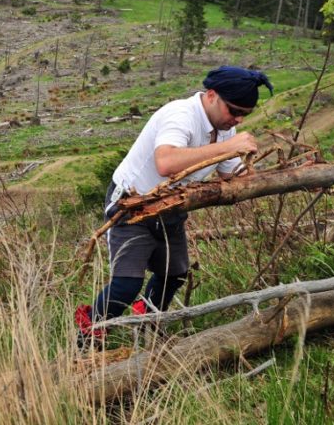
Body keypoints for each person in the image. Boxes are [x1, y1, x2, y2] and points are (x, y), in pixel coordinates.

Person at [76, 66, 273, 344]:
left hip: (171, 209)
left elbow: (233, 175)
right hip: (132, 206)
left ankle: (147, 322)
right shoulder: (180, 115)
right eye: (234, 111)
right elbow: (166, 162)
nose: (237, 119)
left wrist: (278, 175)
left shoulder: (225, 128)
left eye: (245, 115)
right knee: (127, 284)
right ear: (212, 96)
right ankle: (87, 338)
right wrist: (226, 148)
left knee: (175, 273)